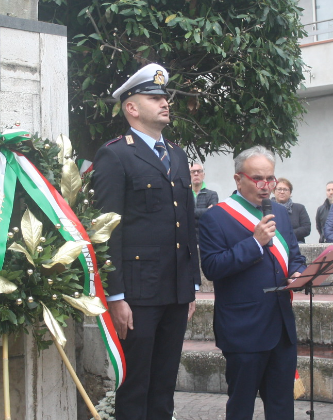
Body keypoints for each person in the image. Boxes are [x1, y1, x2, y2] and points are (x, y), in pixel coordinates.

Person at [92, 63, 200, 420]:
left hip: (175, 289)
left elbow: (188, 225)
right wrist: (116, 296)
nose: (164, 102)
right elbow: (108, 231)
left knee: (164, 383)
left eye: (164, 96)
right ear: (132, 108)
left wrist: (191, 284)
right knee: (135, 384)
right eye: (154, 97)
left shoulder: (178, 155)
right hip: (137, 294)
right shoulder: (115, 154)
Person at [198, 146, 306, 420]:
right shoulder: (216, 217)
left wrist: (297, 273)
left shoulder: (280, 213)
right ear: (238, 179)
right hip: (243, 328)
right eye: (258, 178)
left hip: (281, 327)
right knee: (241, 406)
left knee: (282, 407)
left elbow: (295, 257)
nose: (266, 186)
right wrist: (255, 243)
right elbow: (212, 267)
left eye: (270, 178)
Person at [271, 177, 311, 243]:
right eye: (279, 189)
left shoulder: (299, 208)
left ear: (290, 193)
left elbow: (306, 229)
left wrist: (288, 234)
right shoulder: (268, 208)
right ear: (274, 191)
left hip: (296, 242)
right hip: (274, 243)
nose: (282, 192)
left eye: (285, 189)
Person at [190, 162, 218, 238]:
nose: (196, 174)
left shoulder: (212, 194)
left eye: (199, 171)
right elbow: (182, 213)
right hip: (188, 238)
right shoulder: (184, 194)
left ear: (203, 175)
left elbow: (213, 213)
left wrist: (190, 212)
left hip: (206, 237)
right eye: (193, 172)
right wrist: (206, 210)